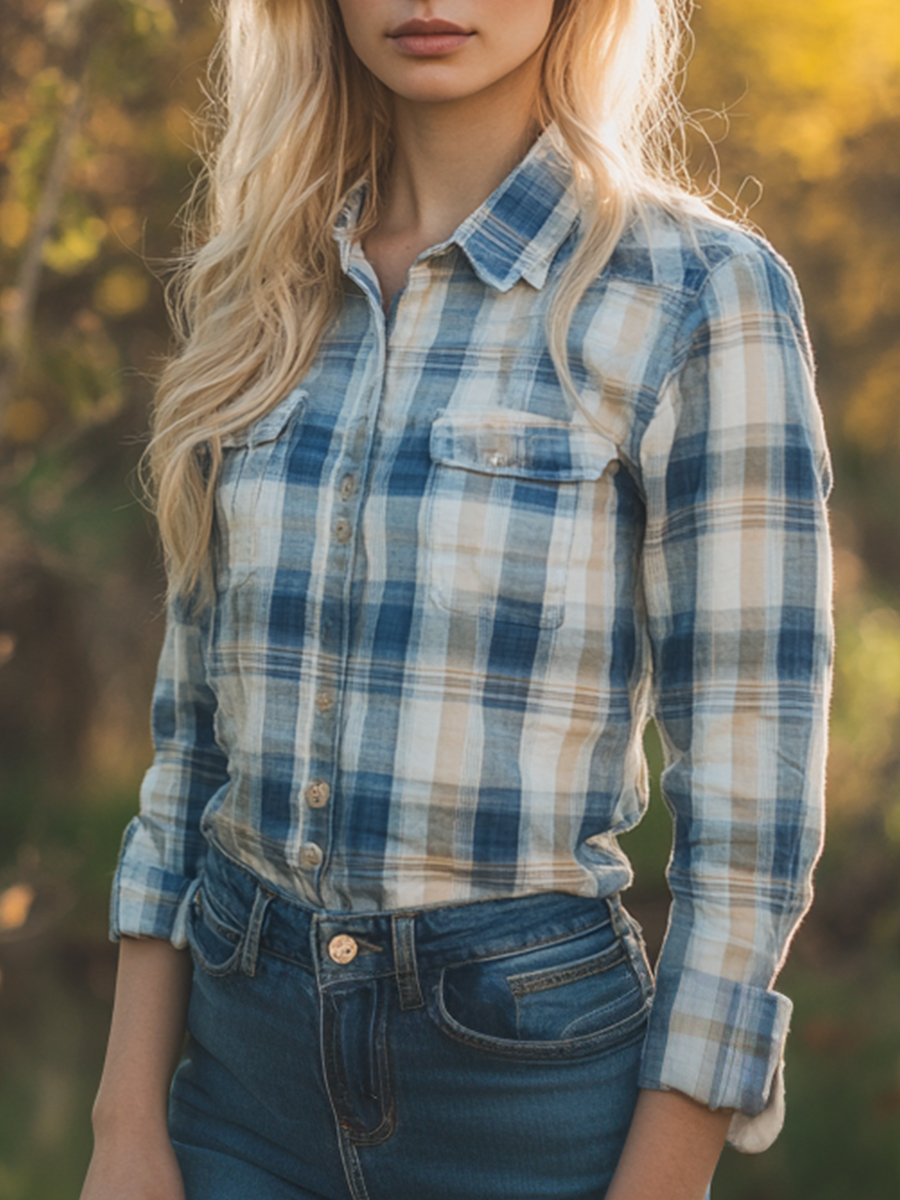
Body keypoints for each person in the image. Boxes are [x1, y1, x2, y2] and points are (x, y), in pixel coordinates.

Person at [80, 1, 833, 1198]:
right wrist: (125, 1128)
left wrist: (666, 1180)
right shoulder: (261, 285)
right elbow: (191, 755)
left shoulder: (696, 293)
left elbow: (752, 816)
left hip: (523, 1092)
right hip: (236, 1091)